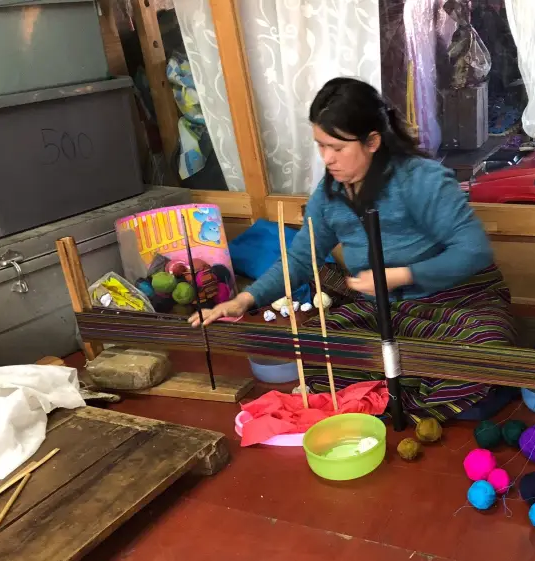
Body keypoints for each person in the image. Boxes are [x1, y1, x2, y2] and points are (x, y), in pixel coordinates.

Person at [189, 76, 515, 423]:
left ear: (372, 141)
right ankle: (423, 392)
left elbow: (474, 250)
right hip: (381, 308)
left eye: (338, 147)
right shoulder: (330, 194)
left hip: (452, 301)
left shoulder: (423, 180)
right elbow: (302, 257)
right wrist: (244, 300)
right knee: (315, 345)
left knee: (487, 344)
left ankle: (406, 390)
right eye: (320, 146)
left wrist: (402, 275)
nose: (327, 158)